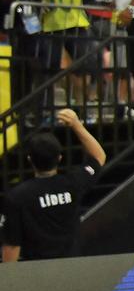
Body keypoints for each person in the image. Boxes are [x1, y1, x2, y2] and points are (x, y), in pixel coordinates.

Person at [1, 109, 106, 262]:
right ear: (59, 158)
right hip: (71, 266)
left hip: (36, 272)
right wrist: (76, 125)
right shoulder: (73, 183)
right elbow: (99, 156)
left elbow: (11, 246)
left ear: (30, 160)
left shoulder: (17, 197)